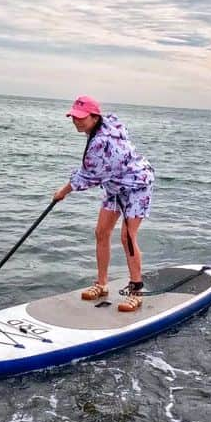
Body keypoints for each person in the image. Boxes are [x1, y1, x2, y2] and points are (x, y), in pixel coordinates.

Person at [53, 95, 155, 312]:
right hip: (115, 184)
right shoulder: (104, 125)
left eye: (82, 117)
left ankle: (136, 291)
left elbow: (89, 176)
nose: (76, 121)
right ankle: (102, 284)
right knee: (101, 232)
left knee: (127, 237)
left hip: (136, 185)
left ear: (95, 116)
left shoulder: (101, 143)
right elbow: (95, 172)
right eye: (74, 116)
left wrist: (63, 191)